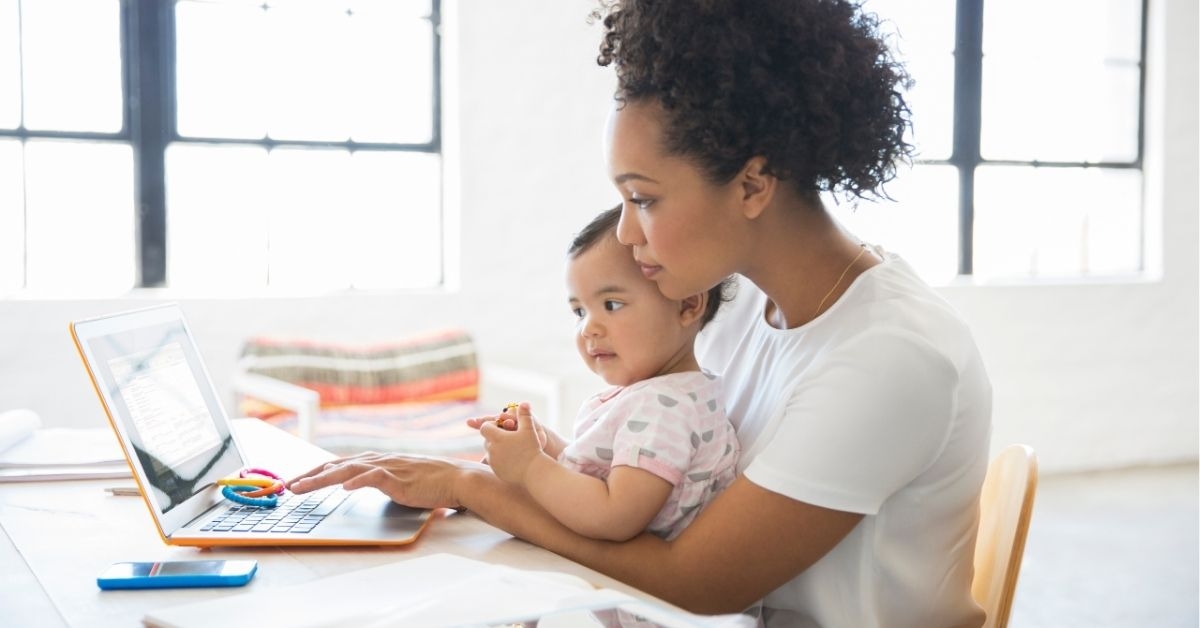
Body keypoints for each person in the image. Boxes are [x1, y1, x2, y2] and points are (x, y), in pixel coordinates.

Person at [289, 1, 992, 626]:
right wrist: (512, 469)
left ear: (753, 184)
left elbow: (698, 582)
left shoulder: (889, 356)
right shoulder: (740, 300)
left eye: (644, 198)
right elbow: (669, 476)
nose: (627, 234)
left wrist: (471, 485)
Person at [468, 205, 740, 544]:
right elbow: (609, 476)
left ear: (687, 305)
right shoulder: (673, 395)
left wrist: (530, 467)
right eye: (579, 311)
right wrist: (548, 446)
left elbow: (615, 515)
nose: (588, 328)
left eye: (611, 304)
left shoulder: (664, 407)